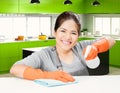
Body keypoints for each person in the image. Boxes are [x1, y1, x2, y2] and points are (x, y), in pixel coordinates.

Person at [10, 11, 115, 82]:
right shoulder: (44, 55)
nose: (68, 37)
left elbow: (111, 40)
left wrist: (95, 47)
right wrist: (47, 75)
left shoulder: (81, 47)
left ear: (78, 36)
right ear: (54, 32)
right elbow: (15, 69)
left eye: (73, 33)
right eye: (63, 31)